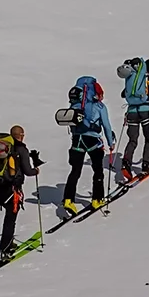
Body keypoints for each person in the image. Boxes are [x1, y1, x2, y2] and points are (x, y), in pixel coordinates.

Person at [0, 127, 41, 259]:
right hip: (12, 189)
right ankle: (5, 249)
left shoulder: (1, 148)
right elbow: (28, 171)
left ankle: (8, 243)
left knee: (9, 216)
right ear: (21, 135)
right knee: (10, 218)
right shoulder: (21, 150)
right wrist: (36, 170)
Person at [61, 76, 116, 214]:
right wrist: (111, 142)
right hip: (93, 141)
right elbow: (106, 126)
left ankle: (68, 200)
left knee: (75, 171)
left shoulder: (74, 105)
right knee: (97, 170)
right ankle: (97, 199)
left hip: (77, 140)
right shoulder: (99, 106)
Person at [116, 57, 149, 179]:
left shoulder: (134, 78)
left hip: (132, 111)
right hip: (146, 111)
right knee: (148, 139)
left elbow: (123, 94)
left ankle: (126, 163)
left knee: (132, 140)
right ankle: (146, 163)